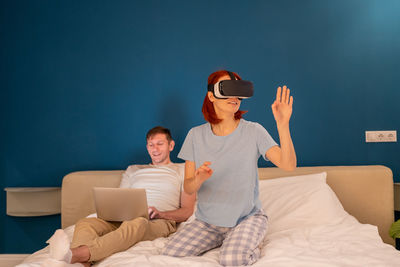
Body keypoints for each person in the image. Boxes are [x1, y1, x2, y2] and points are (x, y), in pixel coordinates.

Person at [161, 70, 296, 266]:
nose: (234, 97)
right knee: (170, 253)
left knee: (232, 259)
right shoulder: (195, 136)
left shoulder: (254, 131)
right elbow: (188, 188)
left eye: (239, 91)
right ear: (211, 96)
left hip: (246, 219)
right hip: (207, 223)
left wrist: (283, 125)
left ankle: (246, 242)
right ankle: (225, 239)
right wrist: (198, 179)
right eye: (227, 90)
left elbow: (288, 165)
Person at [47, 126, 196, 266]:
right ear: (147, 147)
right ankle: (83, 263)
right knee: (85, 223)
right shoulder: (133, 170)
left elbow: (187, 210)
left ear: (171, 146)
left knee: (138, 223)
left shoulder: (183, 170)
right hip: (125, 217)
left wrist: (160, 213)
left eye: (160, 144)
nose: (155, 149)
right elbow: (120, 198)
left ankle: (73, 255)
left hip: (158, 221)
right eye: (151, 145)